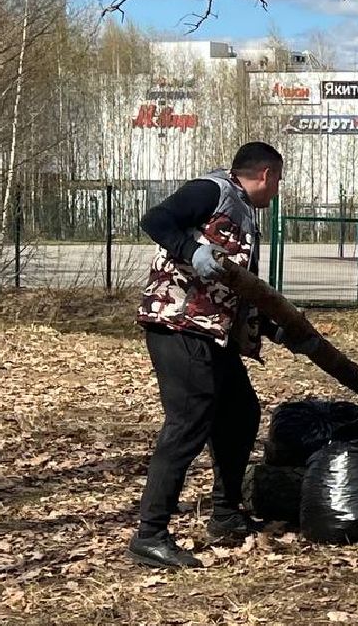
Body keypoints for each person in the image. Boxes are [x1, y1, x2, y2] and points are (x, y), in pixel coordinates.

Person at [129, 141, 310, 570]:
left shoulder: (245, 215)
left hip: (212, 333)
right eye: (278, 181)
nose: (277, 191)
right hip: (176, 325)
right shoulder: (212, 191)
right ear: (265, 174)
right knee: (188, 422)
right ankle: (150, 534)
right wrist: (191, 250)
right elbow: (155, 220)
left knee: (241, 412)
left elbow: (234, 289)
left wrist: (272, 326)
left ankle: (226, 514)